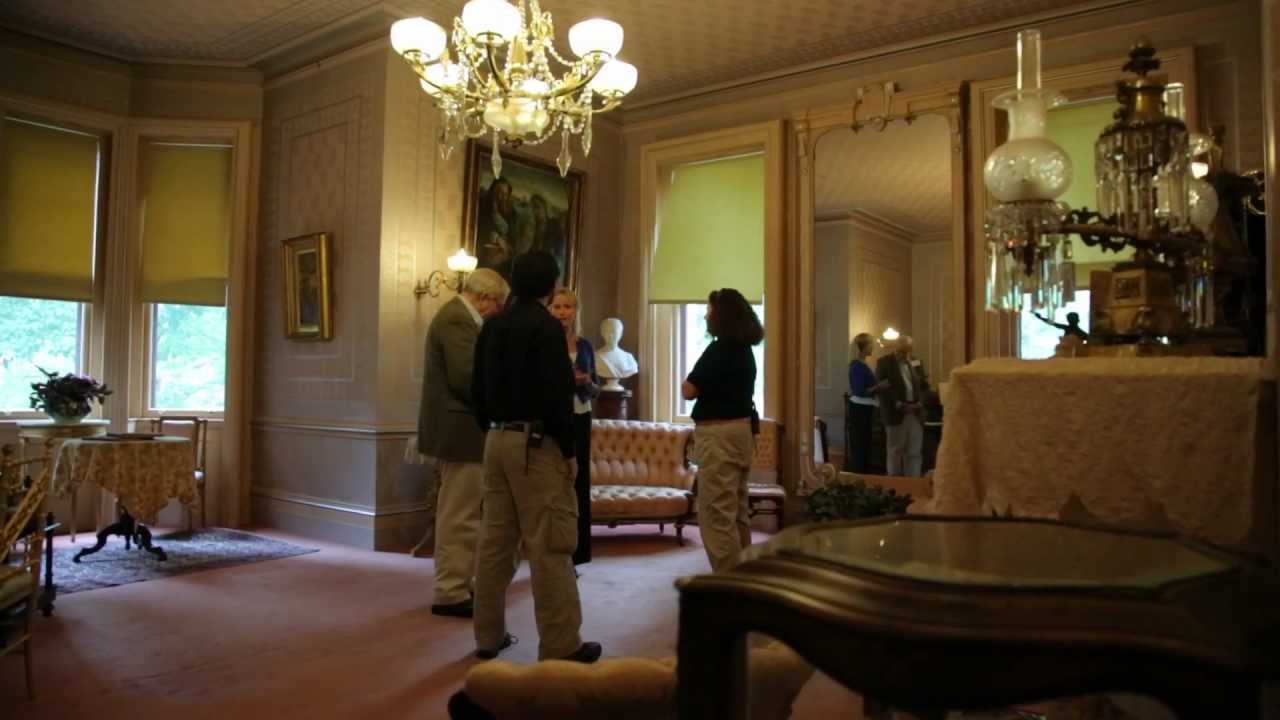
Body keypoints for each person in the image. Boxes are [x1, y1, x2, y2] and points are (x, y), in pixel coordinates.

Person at [471, 250, 601, 664]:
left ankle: (487, 637)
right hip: (536, 444)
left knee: (494, 543)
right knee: (550, 543)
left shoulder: (492, 328)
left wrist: (495, 432)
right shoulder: (546, 328)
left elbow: (476, 391)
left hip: (495, 441)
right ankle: (562, 644)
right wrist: (569, 451)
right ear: (549, 287)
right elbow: (557, 396)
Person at [417, 268, 510, 618]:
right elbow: (466, 378)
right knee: (460, 514)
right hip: (461, 431)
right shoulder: (457, 320)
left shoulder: (458, 318)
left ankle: (459, 583)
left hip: (462, 431)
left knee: (463, 512)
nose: (498, 311)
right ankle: (451, 591)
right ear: (485, 297)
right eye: (498, 304)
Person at [681, 288, 764, 572]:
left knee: (716, 514)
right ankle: (746, 576)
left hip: (718, 436)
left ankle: (731, 587)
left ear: (722, 315)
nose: (706, 315)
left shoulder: (719, 349)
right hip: (741, 434)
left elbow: (688, 390)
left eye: (710, 310)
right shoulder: (745, 351)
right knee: (737, 512)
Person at [549, 287, 599, 569]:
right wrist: (569, 381)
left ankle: (579, 552)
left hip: (581, 414)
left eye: (567, 307)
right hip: (555, 417)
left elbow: (595, 388)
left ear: (575, 312)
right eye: (557, 307)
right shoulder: (544, 343)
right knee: (556, 482)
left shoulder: (585, 346)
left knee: (579, 482)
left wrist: (586, 383)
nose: (562, 312)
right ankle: (554, 548)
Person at [875, 335, 928, 477]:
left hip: (915, 413)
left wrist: (920, 403)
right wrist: (897, 404)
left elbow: (924, 386)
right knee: (895, 451)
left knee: (914, 451)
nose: (904, 355)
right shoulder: (884, 362)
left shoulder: (916, 362)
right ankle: (895, 485)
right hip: (896, 413)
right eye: (901, 351)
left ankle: (913, 483)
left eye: (907, 352)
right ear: (894, 348)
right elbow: (882, 388)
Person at [845, 333, 888, 473]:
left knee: (865, 443)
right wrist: (879, 387)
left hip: (865, 408)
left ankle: (863, 473)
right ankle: (859, 476)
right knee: (860, 444)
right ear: (863, 347)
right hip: (860, 409)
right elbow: (859, 390)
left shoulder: (862, 364)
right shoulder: (857, 366)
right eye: (870, 344)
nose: (873, 347)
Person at [476, 177, 520, 278]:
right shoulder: (483, 206)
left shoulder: (511, 213)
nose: (501, 197)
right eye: (498, 192)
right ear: (492, 191)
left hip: (503, 256)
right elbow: (482, 226)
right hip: (485, 253)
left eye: (505, 194)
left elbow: (512, 234)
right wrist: (497, 238)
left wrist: (507, 244)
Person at [596, 318, 638, 391]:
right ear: (602, 333)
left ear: (620, 334)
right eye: (607, 332)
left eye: (614, 332)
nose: (611, 336)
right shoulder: (594, 356)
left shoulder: (628, 358)